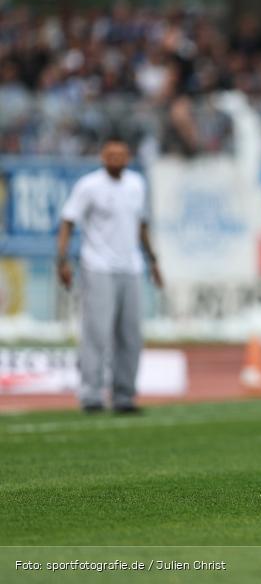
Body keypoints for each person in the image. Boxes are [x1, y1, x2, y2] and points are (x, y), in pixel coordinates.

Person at [56, 137, 164, 413]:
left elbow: (141, 225)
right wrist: (62, 260)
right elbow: (68, 221)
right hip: (98, 265)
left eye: (120, 155)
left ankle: (124, 395)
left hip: (131, 266)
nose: (115, 159)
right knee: (97, 332)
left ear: (128, 157)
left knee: (131, 335)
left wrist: (153, 260)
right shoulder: (89, 186)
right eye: (110, 155)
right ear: (102, 158)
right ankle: (91, 393)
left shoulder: (137, 184)